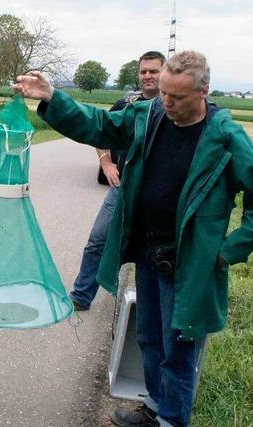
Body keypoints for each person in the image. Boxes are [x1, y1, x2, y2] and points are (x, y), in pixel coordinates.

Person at [14, 50, 253, 427]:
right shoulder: (149, 114)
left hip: (190, 263)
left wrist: (227, 252)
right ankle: (155, 407)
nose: (166, 103)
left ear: (204, 90)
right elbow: (99, 125)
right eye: (164, 94)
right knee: (150, 338)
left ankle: (172, 419)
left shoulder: (224, 135)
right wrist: (53, 97)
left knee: (180, 348)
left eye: (177, 97)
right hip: (148, 251)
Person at [71, 51, 165, 311]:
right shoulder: (125, 104)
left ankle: (145, 310)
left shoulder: (173, 106)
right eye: (143, 71)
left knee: (152, 253)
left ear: (165, 73)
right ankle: (81, 295)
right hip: (122, 191)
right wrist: (106, 163)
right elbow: (101, 132)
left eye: (154, 71)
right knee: (98, 241)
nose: (147, 76)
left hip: (159, 197)